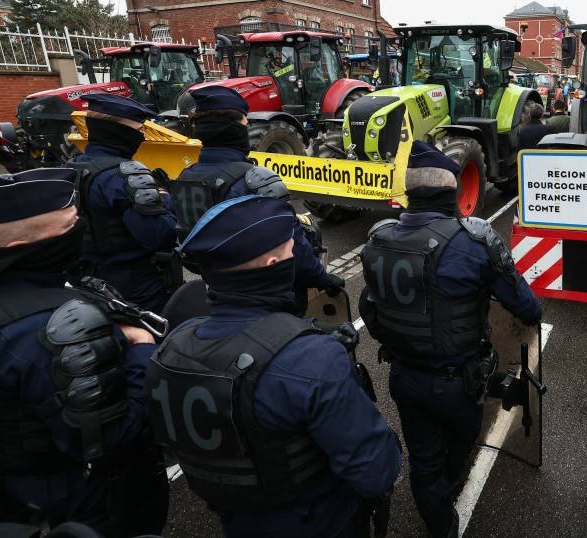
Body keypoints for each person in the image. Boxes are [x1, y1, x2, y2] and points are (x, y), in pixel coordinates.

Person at [146, 195, 401, 537]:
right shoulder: (312, 358)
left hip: (236, 519)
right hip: (319, 521)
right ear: (271, 264)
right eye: (288, 250)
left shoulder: (174, 345)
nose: (295, 255)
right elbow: (375, 471)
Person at [359, 141, 542, 537]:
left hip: (405, 376)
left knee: (423, 460)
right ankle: (450, 490)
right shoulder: (473, 240)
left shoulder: (378, 239)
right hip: (459, 383)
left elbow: (368, 310)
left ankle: (439, 523)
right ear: (453, 191)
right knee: (458, 450)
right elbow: (527, 306)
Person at [0, 167, 167, 536]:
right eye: (71, 223)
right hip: (82, 500)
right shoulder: (57, 326)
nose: (81, 228)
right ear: (26, 244)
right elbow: (110, 439)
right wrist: (140, 350)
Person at [171, 85, 343, 310]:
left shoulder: (186, 177)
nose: (247, 127)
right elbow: (294, 249)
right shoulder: (253, 181)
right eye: (244, 123)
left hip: (215, 291)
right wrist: (324, 280)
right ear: (233, 128)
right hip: (264, 298)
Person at [68, 93, 177, 313]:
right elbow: (160, 236)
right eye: (138, 130)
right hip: (135, 287)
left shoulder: (70, 169)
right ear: (118, 132)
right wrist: (165, 200)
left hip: (82, 281)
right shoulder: (124, 176)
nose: (142, 137)